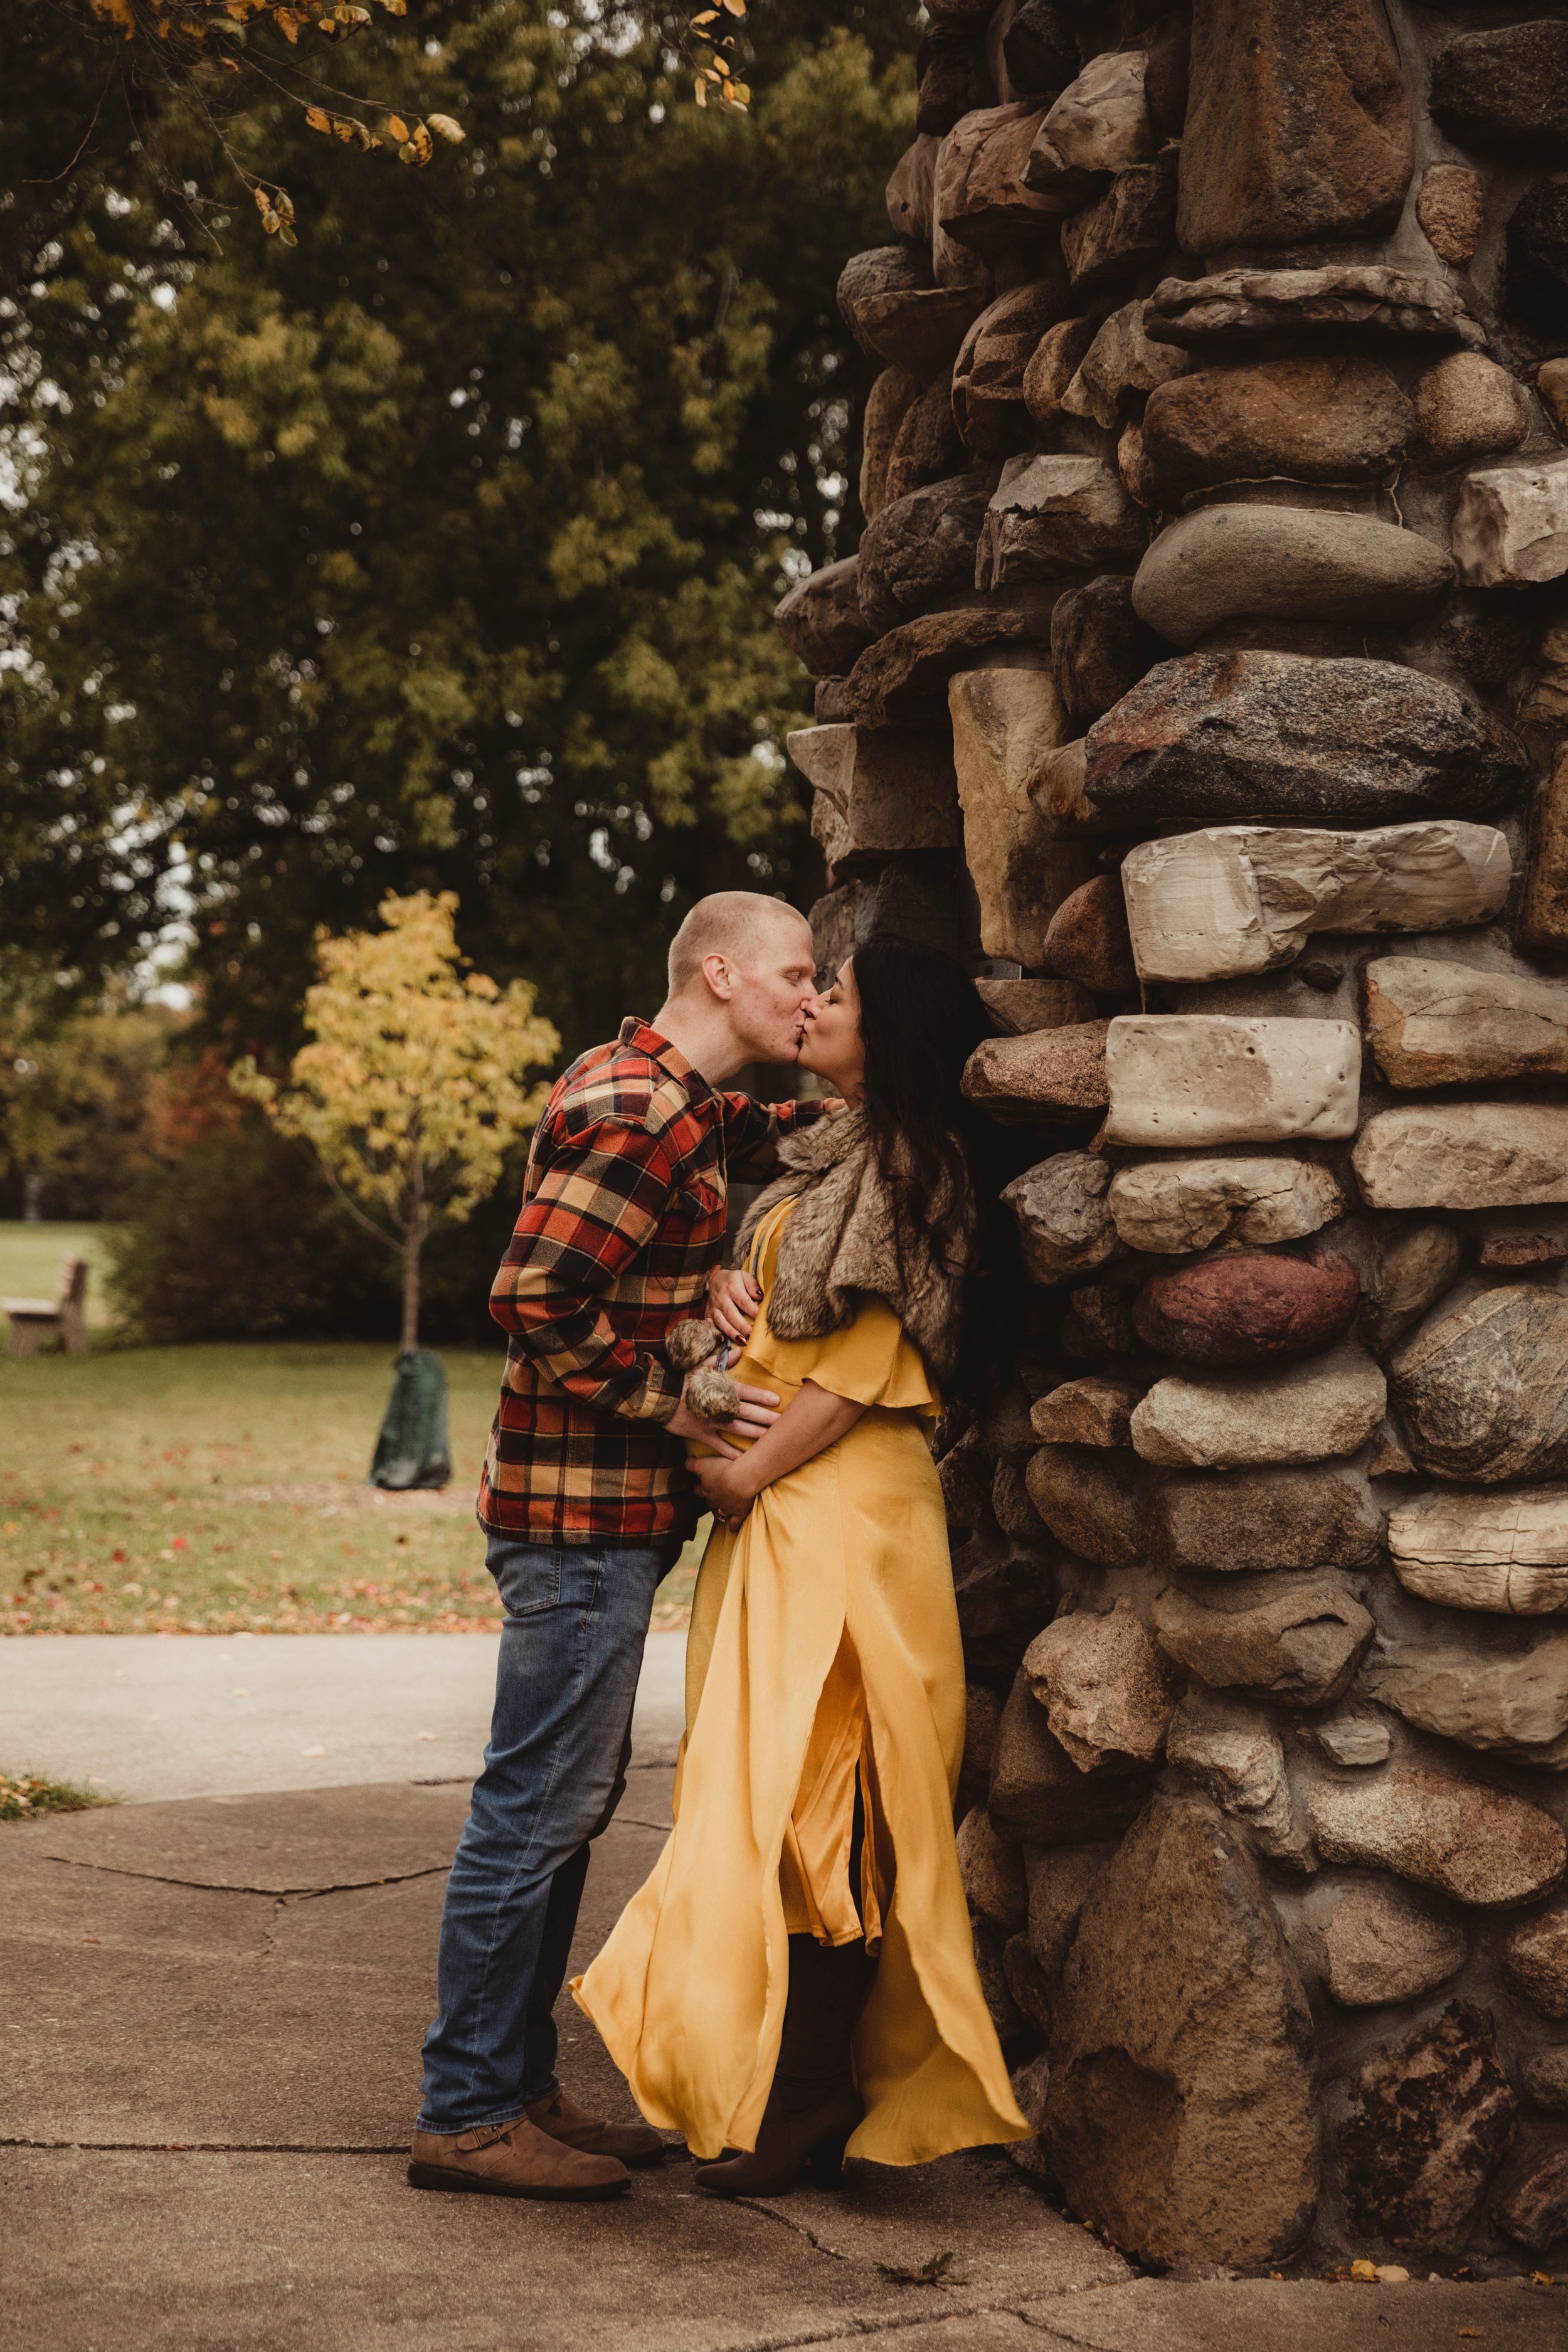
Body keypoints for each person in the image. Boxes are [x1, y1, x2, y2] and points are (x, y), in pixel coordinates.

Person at [576, 935, 1032, 2193]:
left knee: (820, 1804)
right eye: (812, 980)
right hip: (782, 1521)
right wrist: (726, 1281)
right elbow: (794, 1307)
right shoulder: (825, 1152)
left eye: (839, 989)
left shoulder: (909, 1162)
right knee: (763, 1794)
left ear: (891, 1023)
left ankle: (812, 2098)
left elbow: (869, 1360)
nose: (817, 999)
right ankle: (781, 2080)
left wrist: (743, 1471)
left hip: (839, 1519)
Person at [410, 891, 835, 2203]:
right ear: (719, 971)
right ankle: (468, 2111)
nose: (811, 998)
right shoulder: (637, 1107)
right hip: (574, 1516)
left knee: (563, 1809)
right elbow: (532, 1295)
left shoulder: (682, 1100)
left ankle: (516, 2088)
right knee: (531, 1810)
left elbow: (764, 1124)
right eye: (796, 975)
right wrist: (673, 1395)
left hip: (604, 1517)